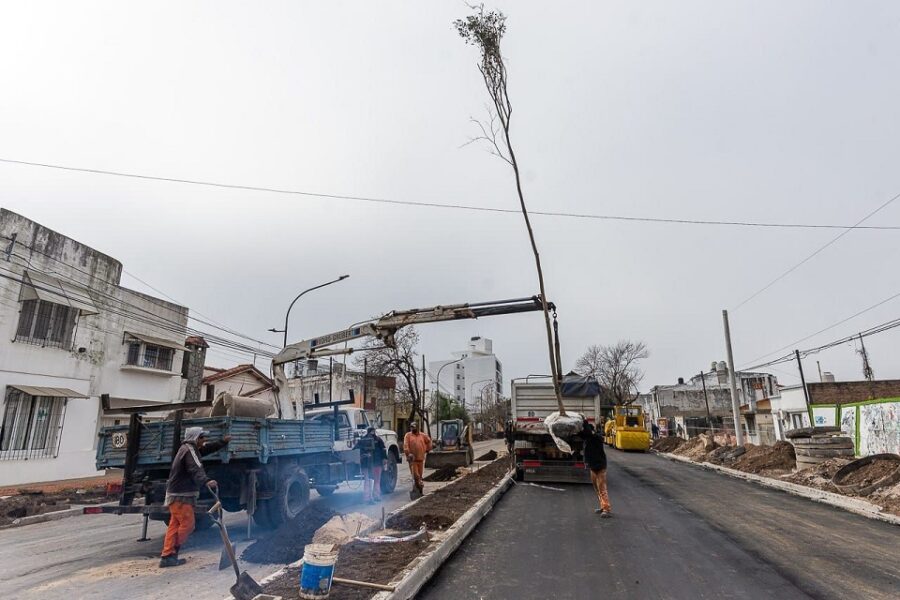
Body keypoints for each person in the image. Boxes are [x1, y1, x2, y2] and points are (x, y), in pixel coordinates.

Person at [159, 427, 231, 568]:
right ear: (196, 438)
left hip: (177, 494)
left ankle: (167, 556)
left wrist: (222, 442)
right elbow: (195, 468)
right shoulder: (189, 451)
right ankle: (172, 552)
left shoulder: (189, 449)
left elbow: (207, 449)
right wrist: (206, 481)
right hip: (181, 496)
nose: (205, 440)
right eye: (202, 437)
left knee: (175, 525)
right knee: (188, 525)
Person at [578, 419, 611, 518]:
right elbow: (581, 434)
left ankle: (606, 509)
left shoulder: (597, 438)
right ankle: (602, 506)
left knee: (602, 488)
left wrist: (584, 421)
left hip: (600, 466)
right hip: (593, 467)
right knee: (597, 488)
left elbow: (588, 432)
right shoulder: (588, 439)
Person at [357, 426, 387, 504]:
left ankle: (371, 497)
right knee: (373, 480)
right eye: (372, 431)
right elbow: (383, 449)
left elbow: (383, 449)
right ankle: (371, 497)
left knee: (372, 480)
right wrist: (384, 458)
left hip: (372, 464)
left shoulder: (365, 440)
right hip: (371, 464)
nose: (372, 433)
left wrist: (384, 459)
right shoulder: (375, 440)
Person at [403, 422, 432, 498]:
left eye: (414, 427)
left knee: (420, 476)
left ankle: (419, 491)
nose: (412, 428)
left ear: (417, 428)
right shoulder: (408, 435)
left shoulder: (422, 435)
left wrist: (428, 448)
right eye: (411, 427)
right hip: (413, 460)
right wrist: (408, 453)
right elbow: (406, 445)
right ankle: (417, 488)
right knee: (416, 476)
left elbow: (429, 441)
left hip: (421, 459)